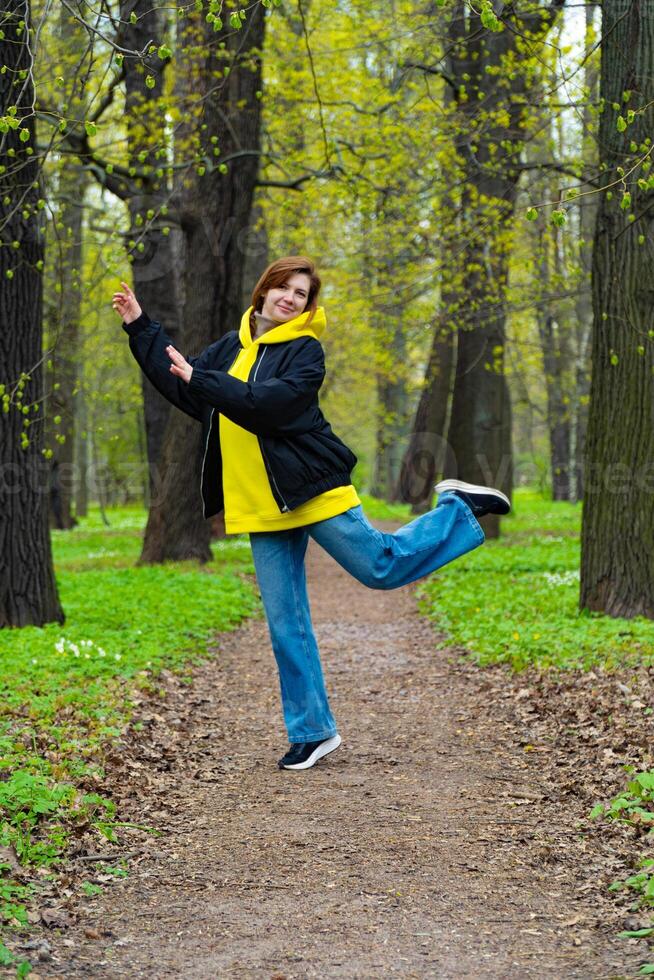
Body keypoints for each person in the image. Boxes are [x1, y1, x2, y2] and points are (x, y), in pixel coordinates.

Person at [112, 256, 509, 772]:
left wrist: (203, 381)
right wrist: (140, 325)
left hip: (311, 489)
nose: (290, 299)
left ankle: (456, 508)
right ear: (264, 291)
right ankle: (313, 731)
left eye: (301, 294)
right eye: (283, 287)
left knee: (381, 567)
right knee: (285, 623)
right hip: (261, 506)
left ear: (306, 306)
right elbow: (180, 381)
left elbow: (268, 405)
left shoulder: (305, 352)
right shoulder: (230, 349)